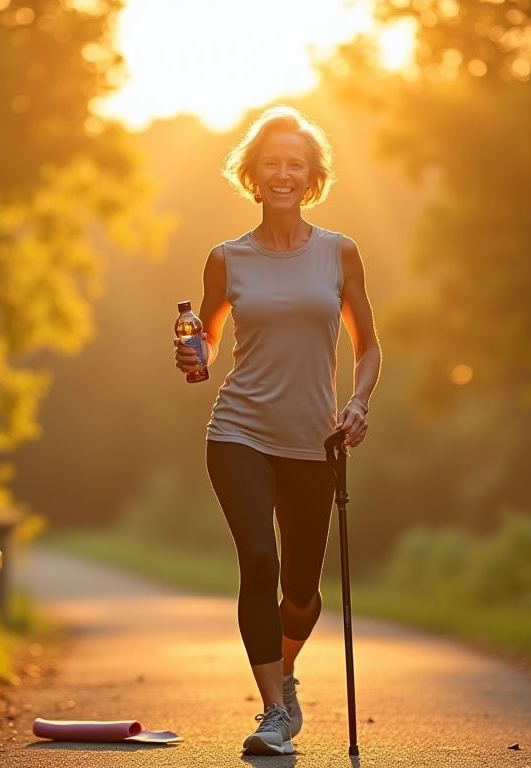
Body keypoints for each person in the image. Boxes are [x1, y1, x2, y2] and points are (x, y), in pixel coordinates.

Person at [173, 104, 382, 756]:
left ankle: (285, 673)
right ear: (254, 176)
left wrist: (360, 402)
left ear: (311, 175)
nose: (283, 174)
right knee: (257, 562)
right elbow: (204, 340)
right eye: (272, 165)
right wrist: (193, 355)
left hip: (314, 441)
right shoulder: (226, 259)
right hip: (238, 430)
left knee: (300, 595)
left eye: (295, 164)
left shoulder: (339, 253)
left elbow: (369, 347)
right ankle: (270, 714)